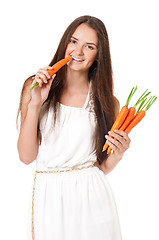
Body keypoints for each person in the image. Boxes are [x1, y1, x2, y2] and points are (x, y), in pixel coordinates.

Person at [17, 15, 131, 240]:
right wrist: (36, 103)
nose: (78, 52)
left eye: (89, 47)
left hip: (94, 198)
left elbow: (101, 167)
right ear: (64, 43)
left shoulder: (108, 102)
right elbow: (26, 156)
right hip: (49, 197)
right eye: (73, 42)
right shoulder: (34, 86)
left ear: (98, 55)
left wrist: (119, 153)